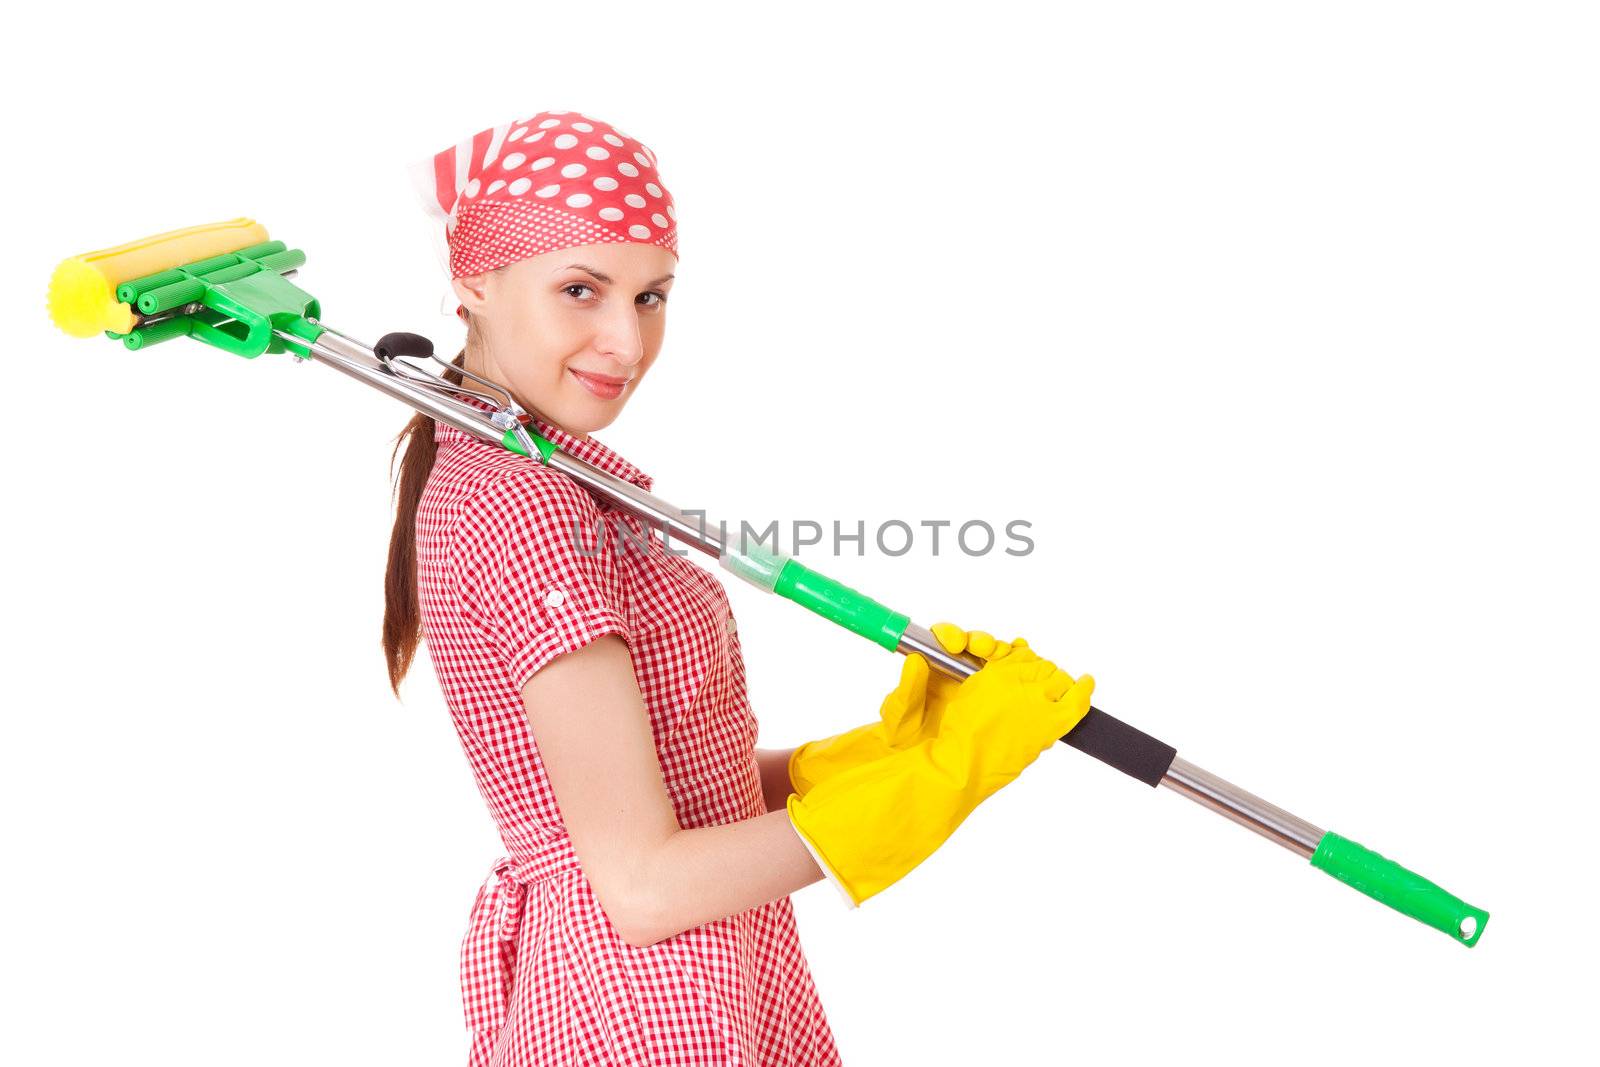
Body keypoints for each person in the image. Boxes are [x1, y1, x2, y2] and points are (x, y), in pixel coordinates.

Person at [379, 110, 1094, 1066]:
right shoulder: (526, 509)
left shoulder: (544, 480)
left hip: (703, 978)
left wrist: (869, 757)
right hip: (639, 1012)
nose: (624, 343)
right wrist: (935, 783)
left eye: (651, 296)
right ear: (472, 285)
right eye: (580, 289)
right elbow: (640, 886)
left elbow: (659, 785)